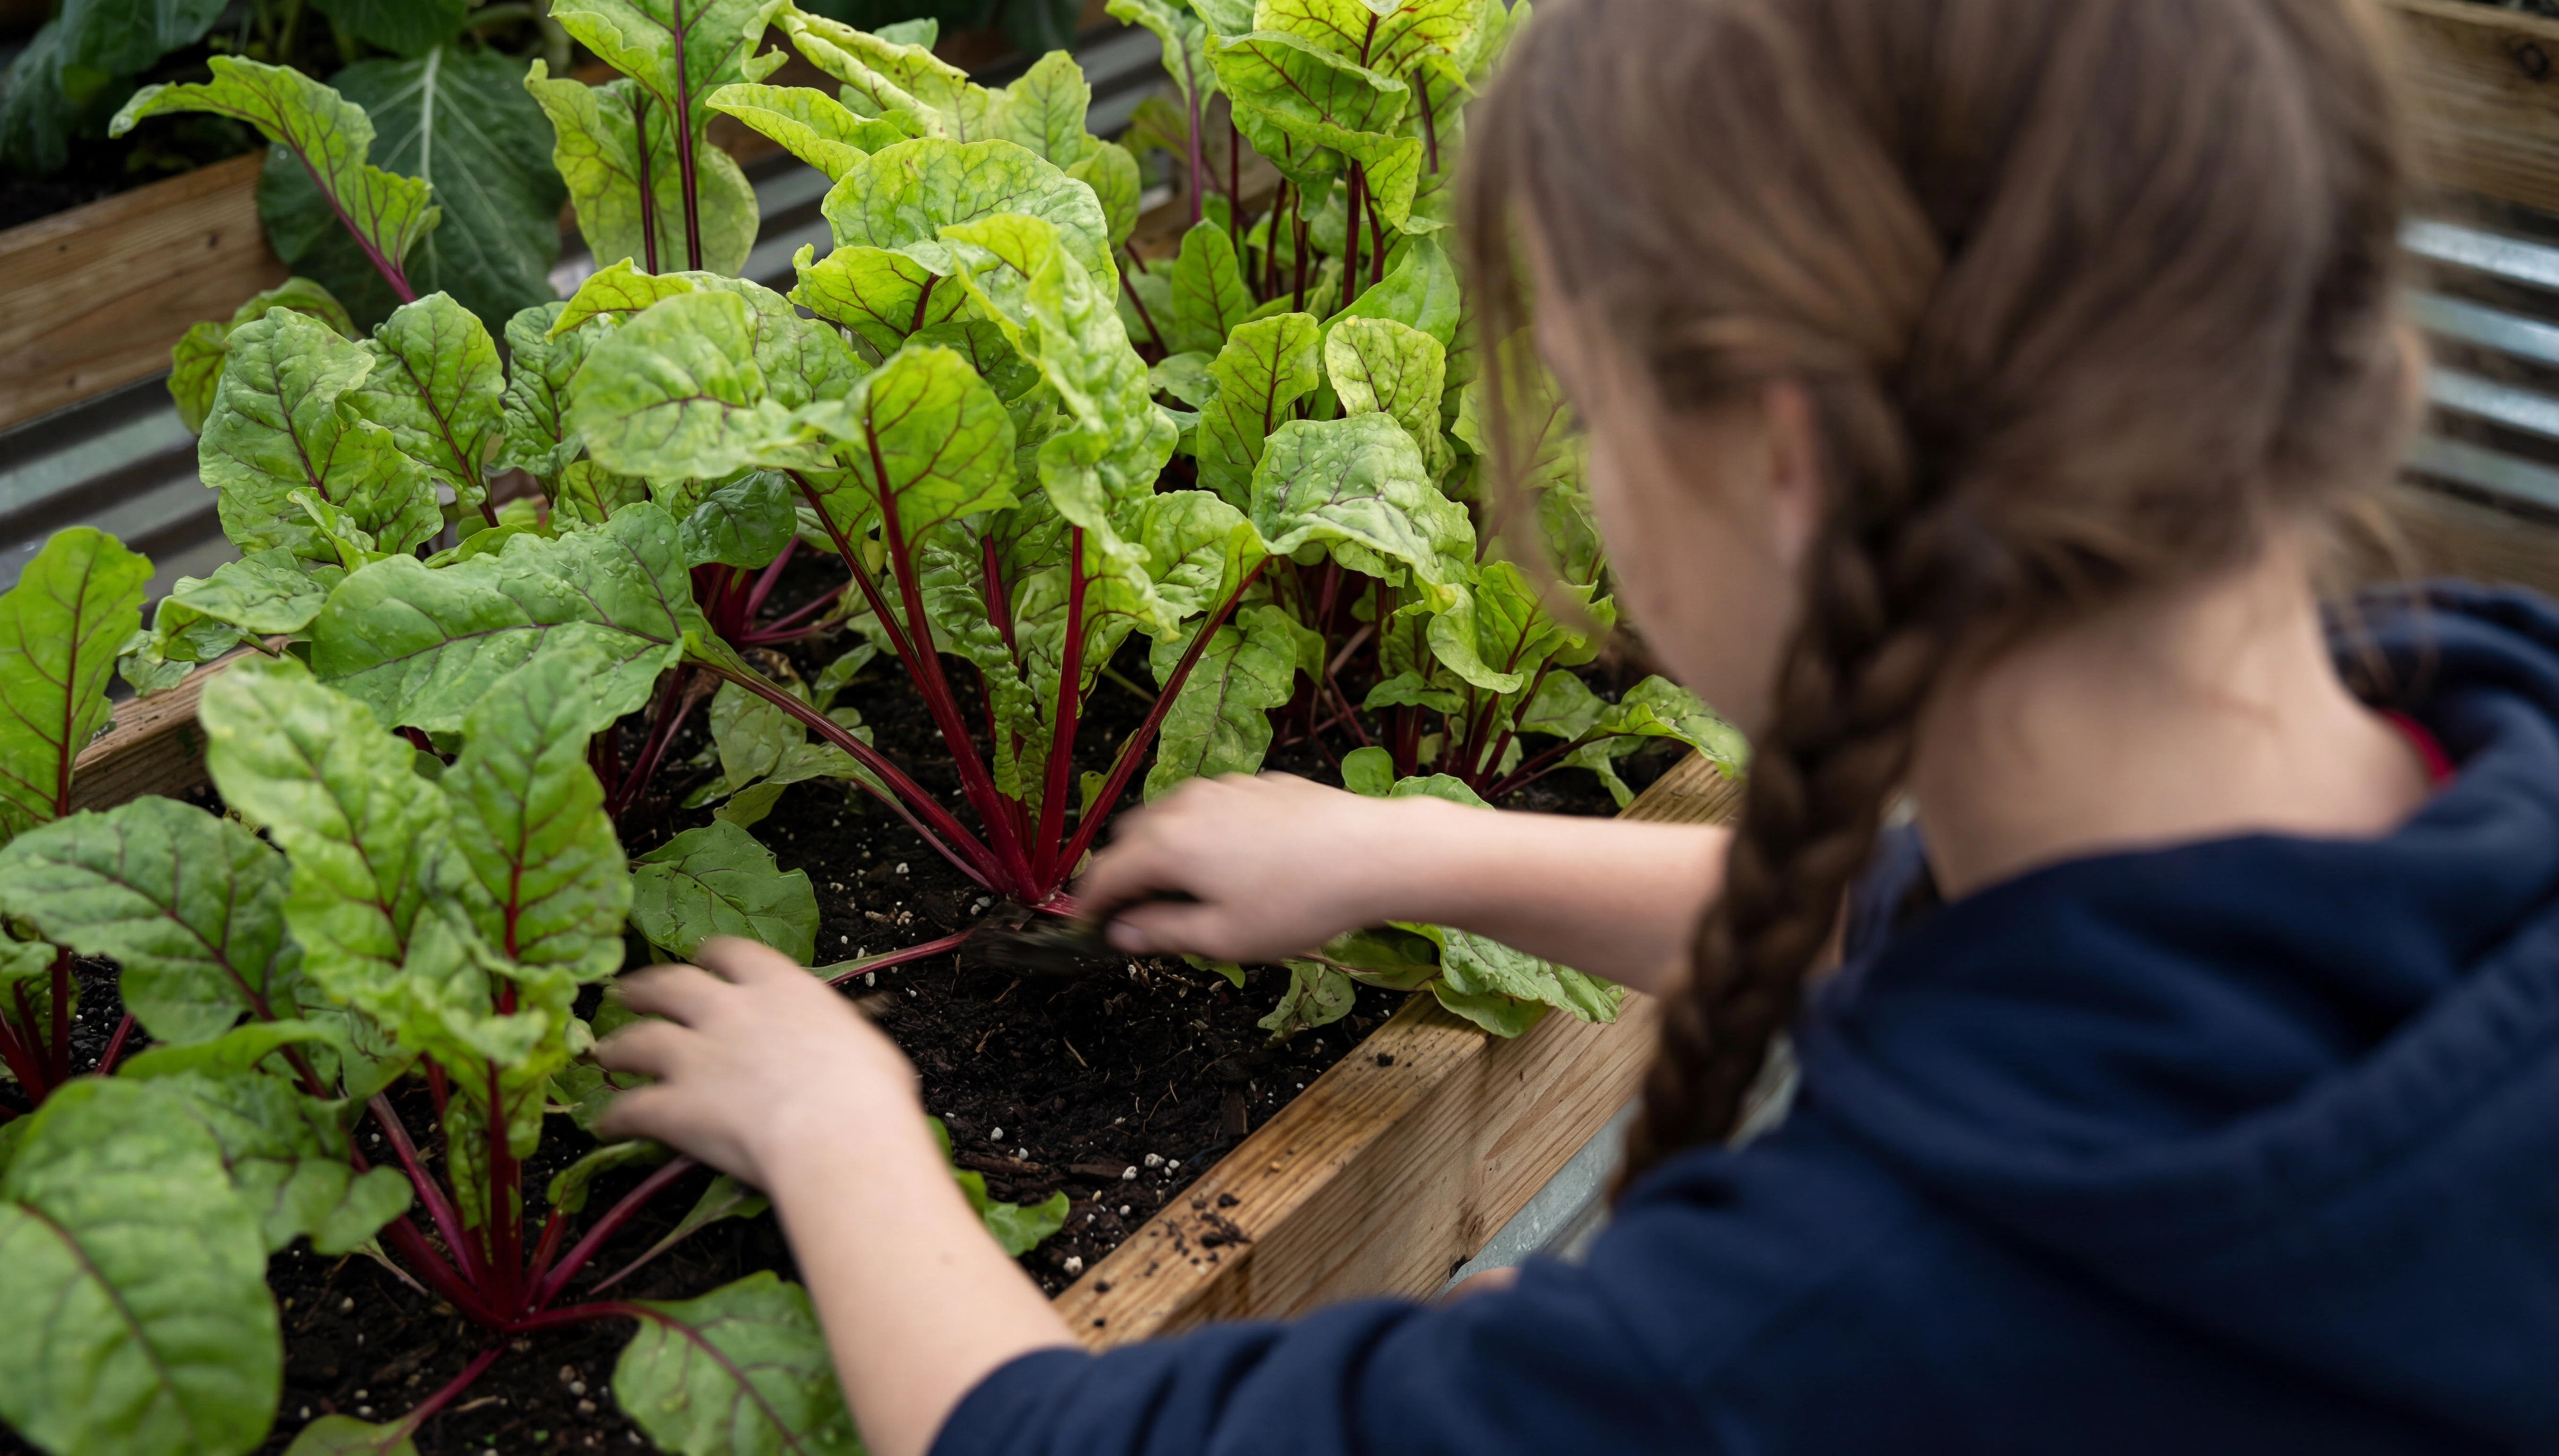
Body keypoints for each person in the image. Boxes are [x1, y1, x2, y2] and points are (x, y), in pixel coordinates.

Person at [591, 0, 2559, 1449]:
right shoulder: (2458, 763)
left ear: (1783, 466)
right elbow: (2099, 966)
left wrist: (836, 1125)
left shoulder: (1782, 1339)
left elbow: (1041, 1437)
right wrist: (1416, 851)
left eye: (1589, 413)